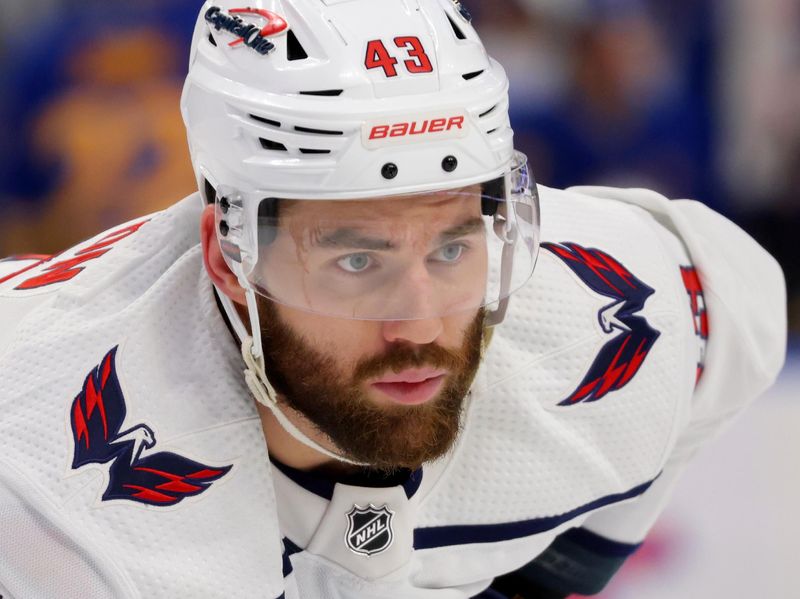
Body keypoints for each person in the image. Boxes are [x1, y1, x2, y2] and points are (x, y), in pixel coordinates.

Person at [0, 1, 786, 598]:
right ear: (229, 256)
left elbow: (736, 309)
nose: (418, 322)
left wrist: (553, 573)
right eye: (353, 258)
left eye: (451, 246)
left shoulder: (618, 312)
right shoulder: (43, 492)